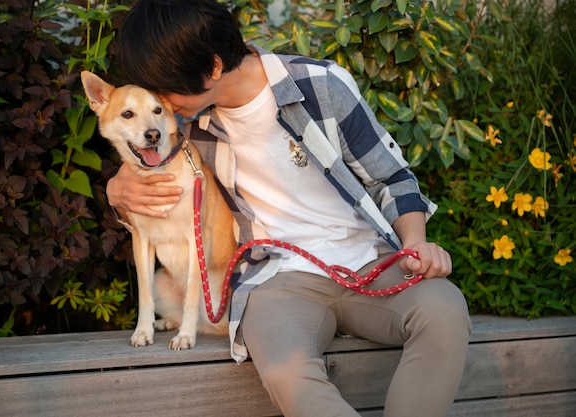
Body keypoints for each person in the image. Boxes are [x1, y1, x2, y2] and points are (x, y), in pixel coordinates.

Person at [107, 1, 472, 416]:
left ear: (211, 68)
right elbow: (145, 173)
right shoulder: (188, 121)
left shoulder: (320, 85)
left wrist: (416, 244)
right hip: (277, 278)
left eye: (165, 88)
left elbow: (391, 177)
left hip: (370, 263)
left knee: (444, 309)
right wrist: (117, 188)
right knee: (285, 369)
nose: (160, 103)